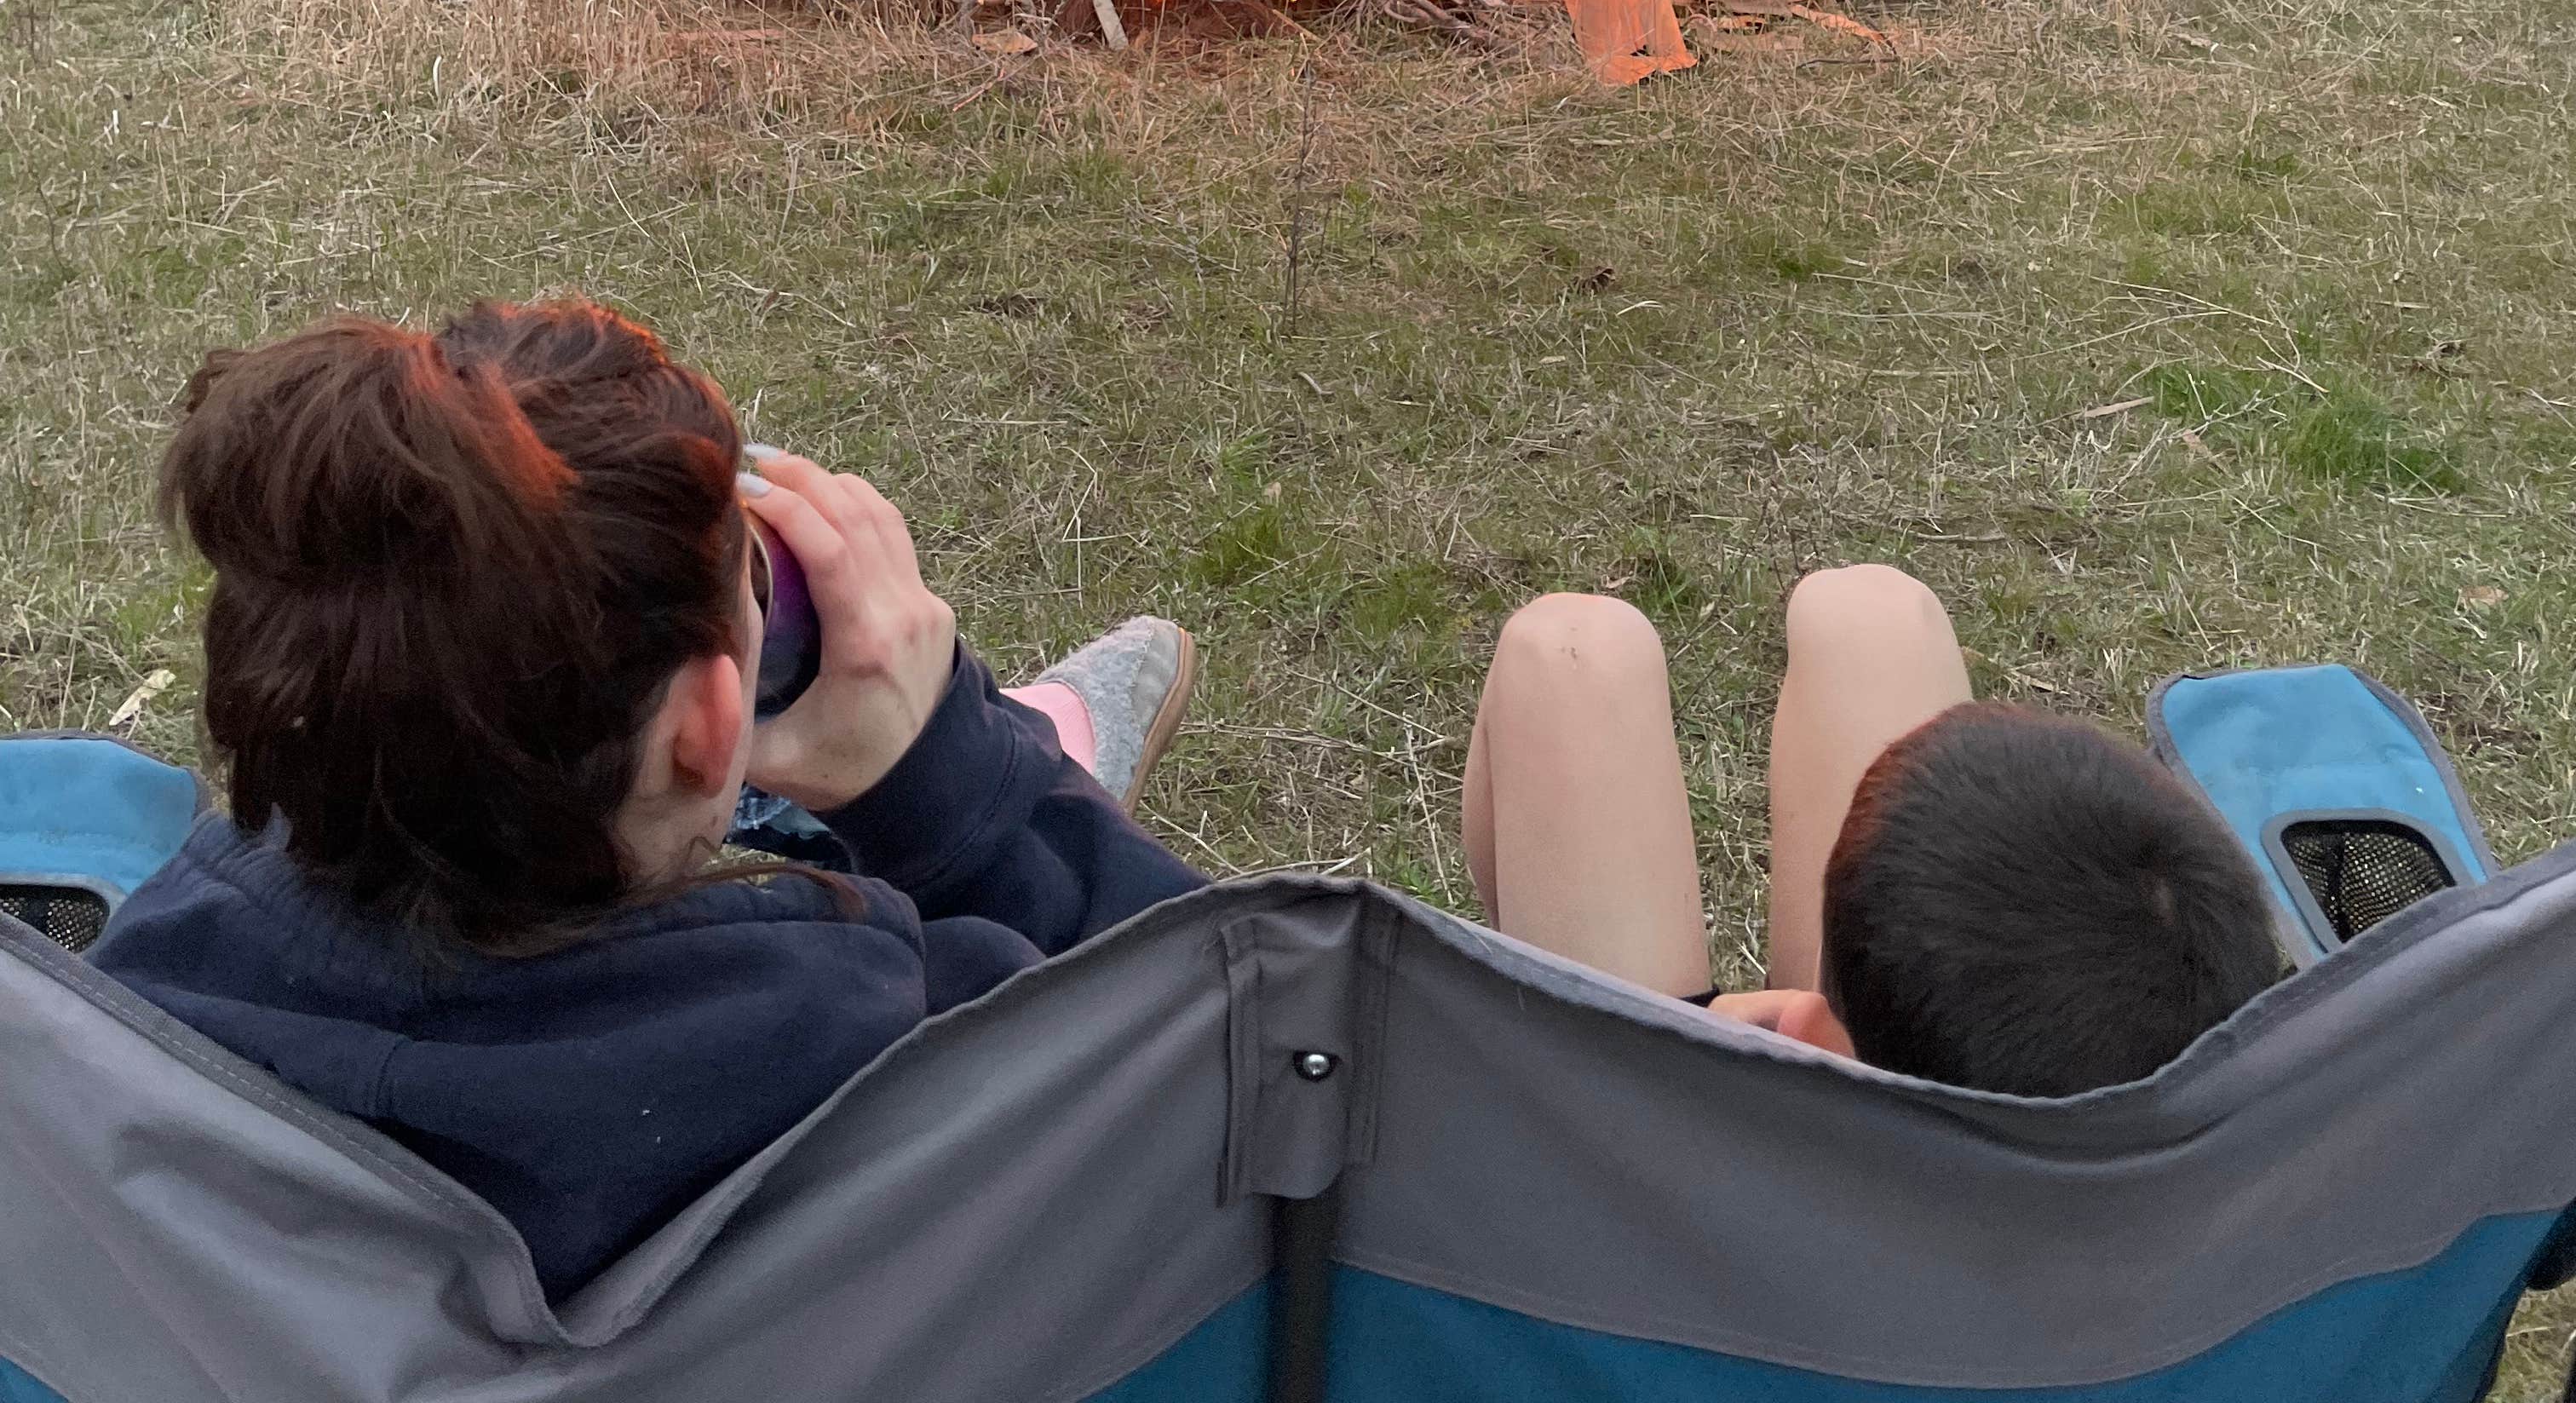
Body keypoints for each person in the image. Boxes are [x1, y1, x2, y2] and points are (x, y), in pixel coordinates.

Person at [91, 299, 1202, 1302]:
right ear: (709, 723)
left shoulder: (140, 988)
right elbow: (1231, 1044)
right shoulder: (873, 1027)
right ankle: (1042, 766)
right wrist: (947, 779)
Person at [1463, 565, 2282, 1092]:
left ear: (1805, 1028)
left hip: (1667, 1169)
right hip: (1979, 1143)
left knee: (1563, 648)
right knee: (1874, 612)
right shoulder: (2239, 1183)